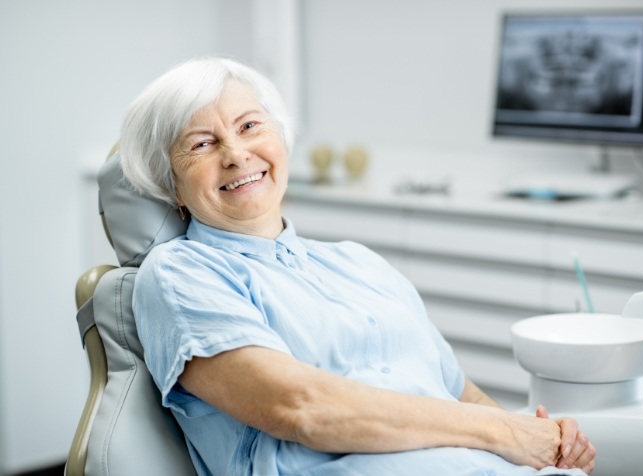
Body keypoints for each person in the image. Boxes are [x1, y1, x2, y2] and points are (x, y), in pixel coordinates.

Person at [120, 57, 596, 476]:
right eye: (202, 144)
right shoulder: (181, 273)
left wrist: (544, 445)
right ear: (174, 187)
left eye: (249, 126)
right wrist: (500, 431)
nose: (236, 153)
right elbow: (303, 409)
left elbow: (459, 393)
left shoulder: (358, 262)